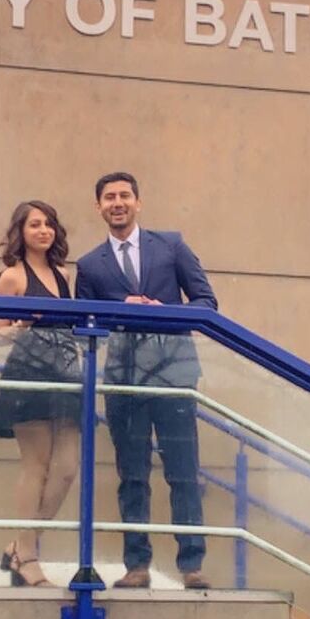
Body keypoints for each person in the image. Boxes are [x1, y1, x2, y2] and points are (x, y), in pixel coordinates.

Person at [74, 171, 218, 590]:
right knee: (132, 476)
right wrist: (124, 306)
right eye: (108, 198)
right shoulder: (88, 265)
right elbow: (86, 322)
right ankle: (137, 566)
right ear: (98, 207)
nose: (117, 203)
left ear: (138, 202)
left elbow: (207, 302)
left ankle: (192, 565)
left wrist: (164, 311)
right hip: (124, 380)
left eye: (124, 196)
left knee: (183, 473)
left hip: (174, 375)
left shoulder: (170, 245)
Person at [0, 200, 81, 588]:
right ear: (20, 232)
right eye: (35, 224)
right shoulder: (12, 277)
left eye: (48, 224)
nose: (43, 230)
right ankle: (28, 557)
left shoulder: (61, 274)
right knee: (36, 465)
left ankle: (19, 546)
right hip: (29, 373)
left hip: (66, 375)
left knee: (67, 468)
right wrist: (21, 325)